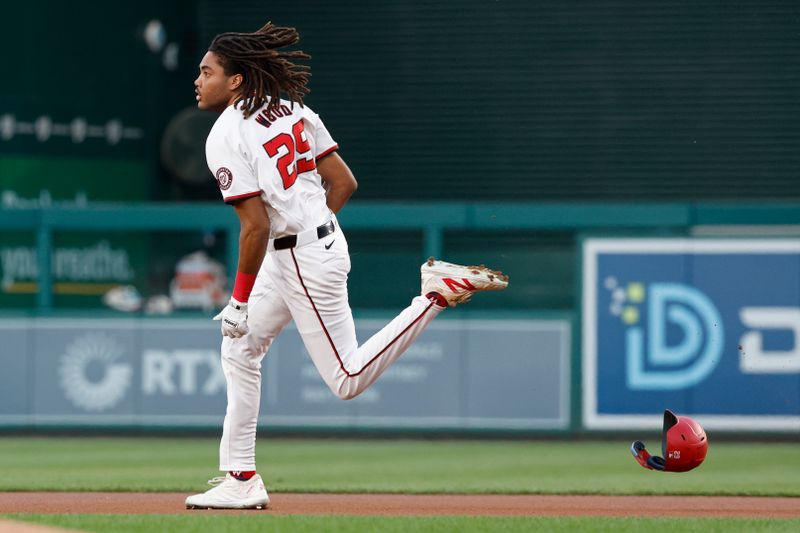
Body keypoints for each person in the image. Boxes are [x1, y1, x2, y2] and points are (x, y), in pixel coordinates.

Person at [185, 22, 509, 510]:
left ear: (235, 81)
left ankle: (434, 296)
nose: (198, 80)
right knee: (241, 349)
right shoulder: (293, 109)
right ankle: (241, 477)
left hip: (297, 255)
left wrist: (238, 298)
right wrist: (313, 228)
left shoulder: (225, 133)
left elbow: (252, 226)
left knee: (346, 379)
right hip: (315, 244)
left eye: (207, 72)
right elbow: (344, 183)